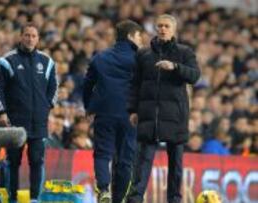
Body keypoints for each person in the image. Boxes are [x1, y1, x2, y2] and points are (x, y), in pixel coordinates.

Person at [127, 14, 200, 203]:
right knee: (143, 160)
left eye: (167, 26)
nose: (162, 29)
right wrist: (133, 110)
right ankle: (135, 198)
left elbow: (194, 76)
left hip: (175, 115)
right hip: (149, 115)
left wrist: (175, 67)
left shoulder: (185, 52)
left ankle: (174, 199)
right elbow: (135, 84)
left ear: (174, 29)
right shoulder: (143, 54)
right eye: (159, 25)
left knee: (176, 163)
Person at [0, 23, 58, 203]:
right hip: (15, 121)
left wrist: (47, 108)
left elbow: (54, 87)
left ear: (38, 39)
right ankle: (12, 198)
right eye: (27, 35)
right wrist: (2, 112)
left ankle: (35, 199)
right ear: (21, 37)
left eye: (34, 36)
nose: (30, 39)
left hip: (38, 121)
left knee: (37, 161)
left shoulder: (47, 62)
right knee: (13, 162)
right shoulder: (7, 60)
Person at [83, 20, 142, 203]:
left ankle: (104, 189)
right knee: (125, 160)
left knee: (102, 153)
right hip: (130, 116)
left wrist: (89, 107)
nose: (141, 40)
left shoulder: (100, 57)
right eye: (139, 36)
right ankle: (117, 200)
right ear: (131, 36)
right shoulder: (140, 59)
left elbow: (87, 84)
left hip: (104, 113)